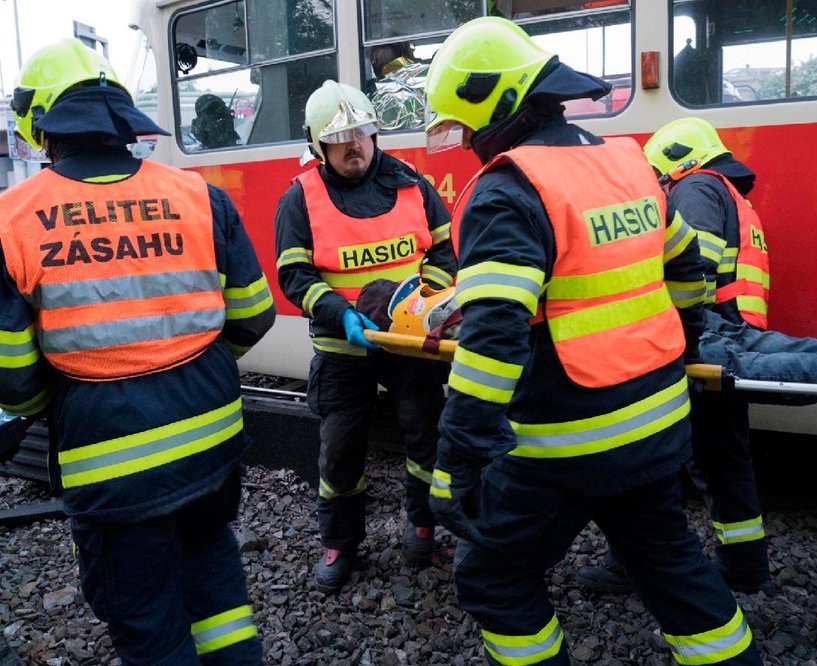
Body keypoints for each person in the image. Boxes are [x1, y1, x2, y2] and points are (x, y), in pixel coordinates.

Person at [424, 17, 762, 665]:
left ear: (487, 101)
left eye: (462, 124)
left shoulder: (507, 188)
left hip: (565, 444)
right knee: (673, 570)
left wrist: (455, 464)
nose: (464, 140)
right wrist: (676, 354)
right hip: (656, 426)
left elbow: (493, 345)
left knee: (492, 579)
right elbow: (689, 276)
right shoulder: (628, 162)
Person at [0, 38, 275, 665]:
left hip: (110, 462)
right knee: (216, 586)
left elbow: (14, 378)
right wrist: (191, 362)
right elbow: (255, 316)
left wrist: (70, 394)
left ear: (43, 127)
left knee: (148, 622)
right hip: (212, 441)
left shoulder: (11, 219)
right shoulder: (199, 195)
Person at [273, 80, 455, 594]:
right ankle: (340, 542)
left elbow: (444, 254)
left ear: (375, 132)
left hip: (409, 345)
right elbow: (295, 277)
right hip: (342, 347)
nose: (354, 144)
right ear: (317, 145)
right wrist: (339, 314)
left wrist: (424, 307)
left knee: (426, 438)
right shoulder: (299, 199)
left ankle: (422, 527)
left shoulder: (413, 186)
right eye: (340, 136)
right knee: (340, 450)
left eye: (362, 132)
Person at [579, 117, 772, 597]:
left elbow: (692, 270)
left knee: (649, 457)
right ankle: (745, 565)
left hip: (701, 342)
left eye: (659, 177)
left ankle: (629, 563)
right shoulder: (731, 193)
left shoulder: (697, 190)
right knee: (723, 458)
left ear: (675, 164)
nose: (658, 188)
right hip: (729, 340)